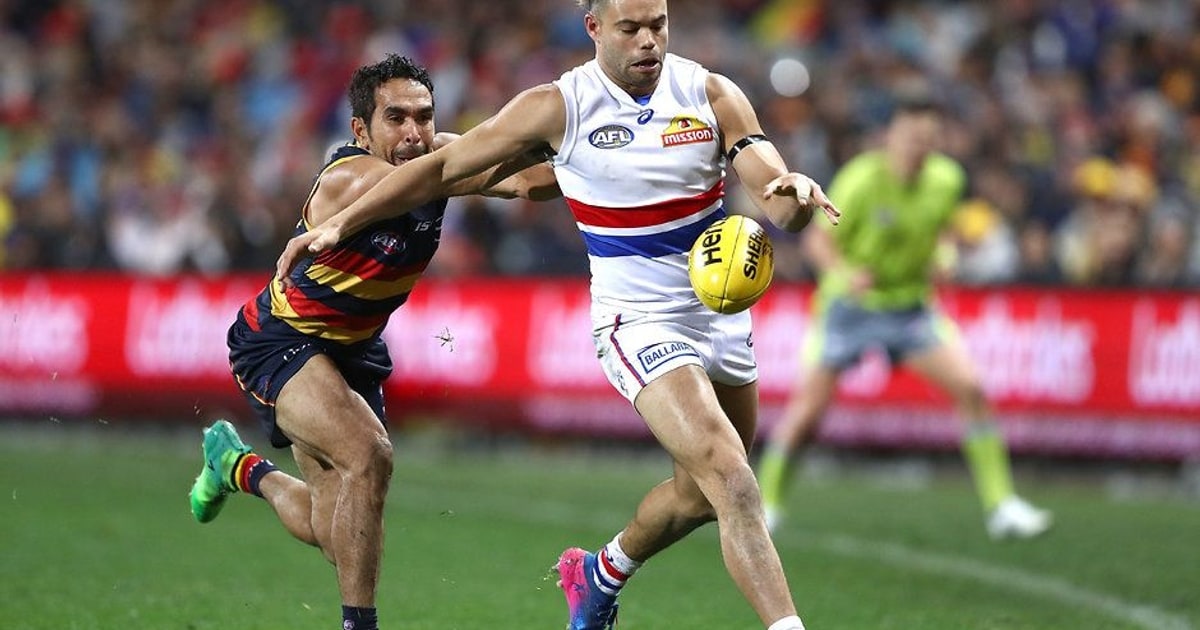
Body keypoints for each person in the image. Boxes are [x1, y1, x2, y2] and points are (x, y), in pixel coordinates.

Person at [275, 2, 839, 629]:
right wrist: (339, 225)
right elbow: (441, 167)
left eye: (658, 25)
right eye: (630, 28)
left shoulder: (711, 93)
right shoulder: (557, 106)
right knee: (731, 479)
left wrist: (793, 193)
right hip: (638, 320)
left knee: (701, 495)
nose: (648, 41)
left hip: (722, 315)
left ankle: (601, 573)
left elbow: (774, 194)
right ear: (594, 28)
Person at [187, 53, 559, 630]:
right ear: (360, 130)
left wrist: (596, 151)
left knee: (334, 532)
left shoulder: (438, 158)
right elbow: (441, 176)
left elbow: (531, 182)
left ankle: (237, 467)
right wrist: (522, 135)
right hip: (282, 339)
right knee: (370, 454)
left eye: (424, 117)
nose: (414, 132)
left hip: (353, 351)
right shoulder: (349, 178)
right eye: (396, 118)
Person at [755, 92, 1054, 541]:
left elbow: (943, 232)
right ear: (890, 136)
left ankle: (1001, 506)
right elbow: (817, 242)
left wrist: (946, 256)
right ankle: (767, 507)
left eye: (927, 138)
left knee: (971, 388)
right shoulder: (861, 180)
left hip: (910, 308)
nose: (918, 146)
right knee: (806, 415)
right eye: (911, 136)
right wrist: (845, 274)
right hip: (850, 310)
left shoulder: (946, 179)